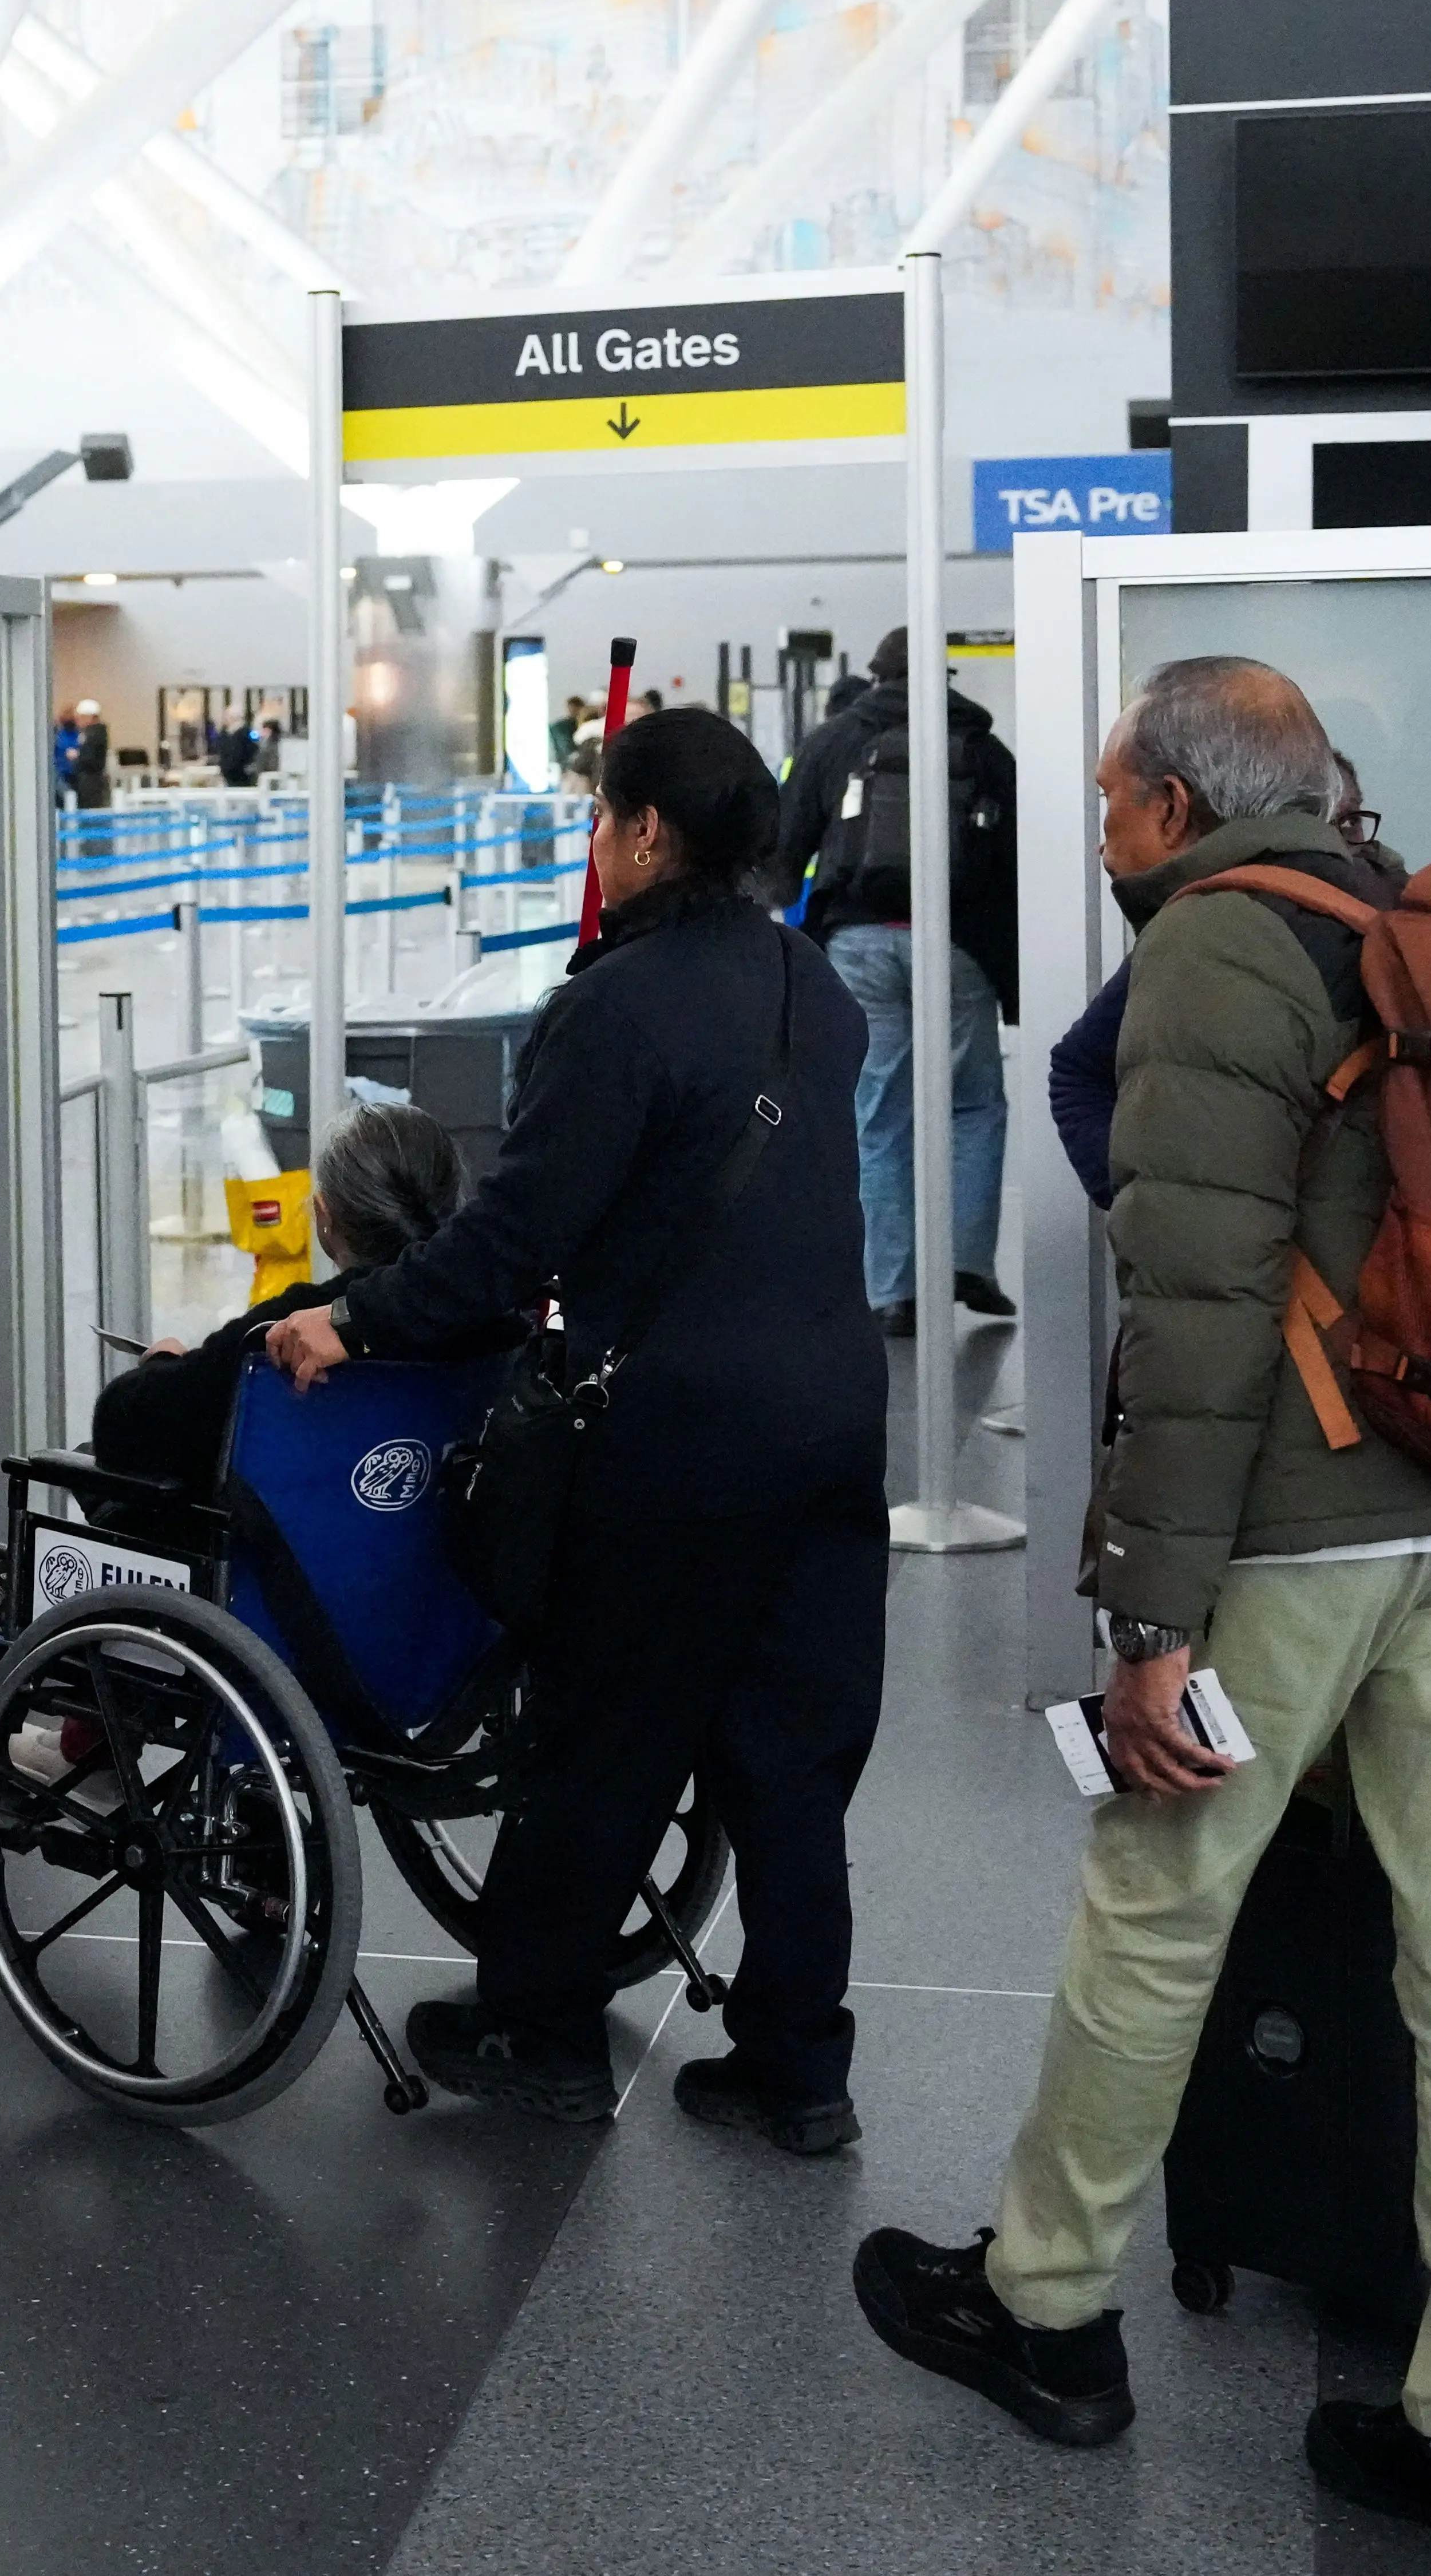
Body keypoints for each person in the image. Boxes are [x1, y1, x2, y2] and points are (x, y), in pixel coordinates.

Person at [857, 656, 1431, 2576]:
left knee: (1157, 1911)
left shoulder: (1213, 945)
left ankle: (1043, 2309)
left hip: (1297, 1531)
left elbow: (1197, 1314)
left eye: (1108, 804)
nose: (1101, 837)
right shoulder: (1426, 927)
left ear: (1177, 808)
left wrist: (1146, 1618)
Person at [266, 709, 888, 2142]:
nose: (599, 839)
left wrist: (350, 1319)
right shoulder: (815, 985)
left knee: (603, 1733)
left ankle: (537, 2027)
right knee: (788, 1755)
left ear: (647, 832)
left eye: (606, 815)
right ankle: (802, 2060)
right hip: (830, 1410)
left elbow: (514, 1237)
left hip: (674, 1430)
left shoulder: (612, 1008)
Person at [771, 627, 1019, 1334]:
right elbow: (1013, 863)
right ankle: (970, 1261)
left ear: (875, 675)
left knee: (877, 1112)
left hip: (858, 943)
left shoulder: (835, 741)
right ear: (941, 675)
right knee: (972, 1102)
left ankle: (890, 1291)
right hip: (955, 944)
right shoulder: (982, 747)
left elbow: (783, 850)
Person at [1045, 746, 1404, 1207]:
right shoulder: (1211, 928)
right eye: (1324, 827)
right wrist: (1140, 1189)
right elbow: (1078, 1070)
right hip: (1260, 1248)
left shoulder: (1401, 917)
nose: (1336, 849)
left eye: (1351, 824)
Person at [89, 1099, 469, 1497]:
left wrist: (163, 1362)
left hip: (286, 1558)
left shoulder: (291, 1327)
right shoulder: (493, 1312)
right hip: (452, 1552)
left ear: (325, 1218)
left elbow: (122, 1428)